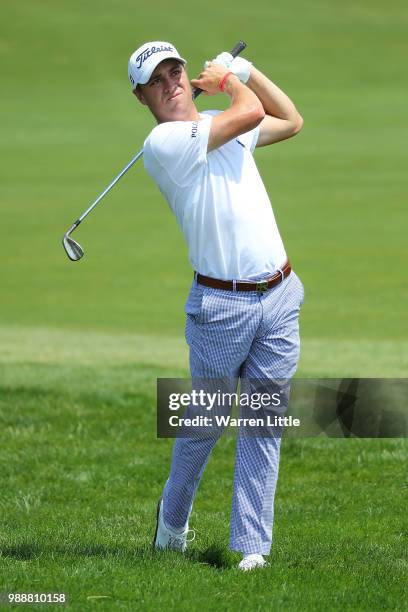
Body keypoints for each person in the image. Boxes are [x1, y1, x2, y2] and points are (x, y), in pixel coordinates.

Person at [128, 41, 305, 571]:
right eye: (157, 78)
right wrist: (230, 81)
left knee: (263, 422)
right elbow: (250, 110)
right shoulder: (163, 142)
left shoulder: (217, 121)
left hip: (279, 292)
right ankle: (172, 523)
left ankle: (253, 548)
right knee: (203, 425)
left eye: (177, 70)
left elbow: (290, 120)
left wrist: (246, 69)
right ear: (141, 95)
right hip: (220, 307)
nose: (172, 82)